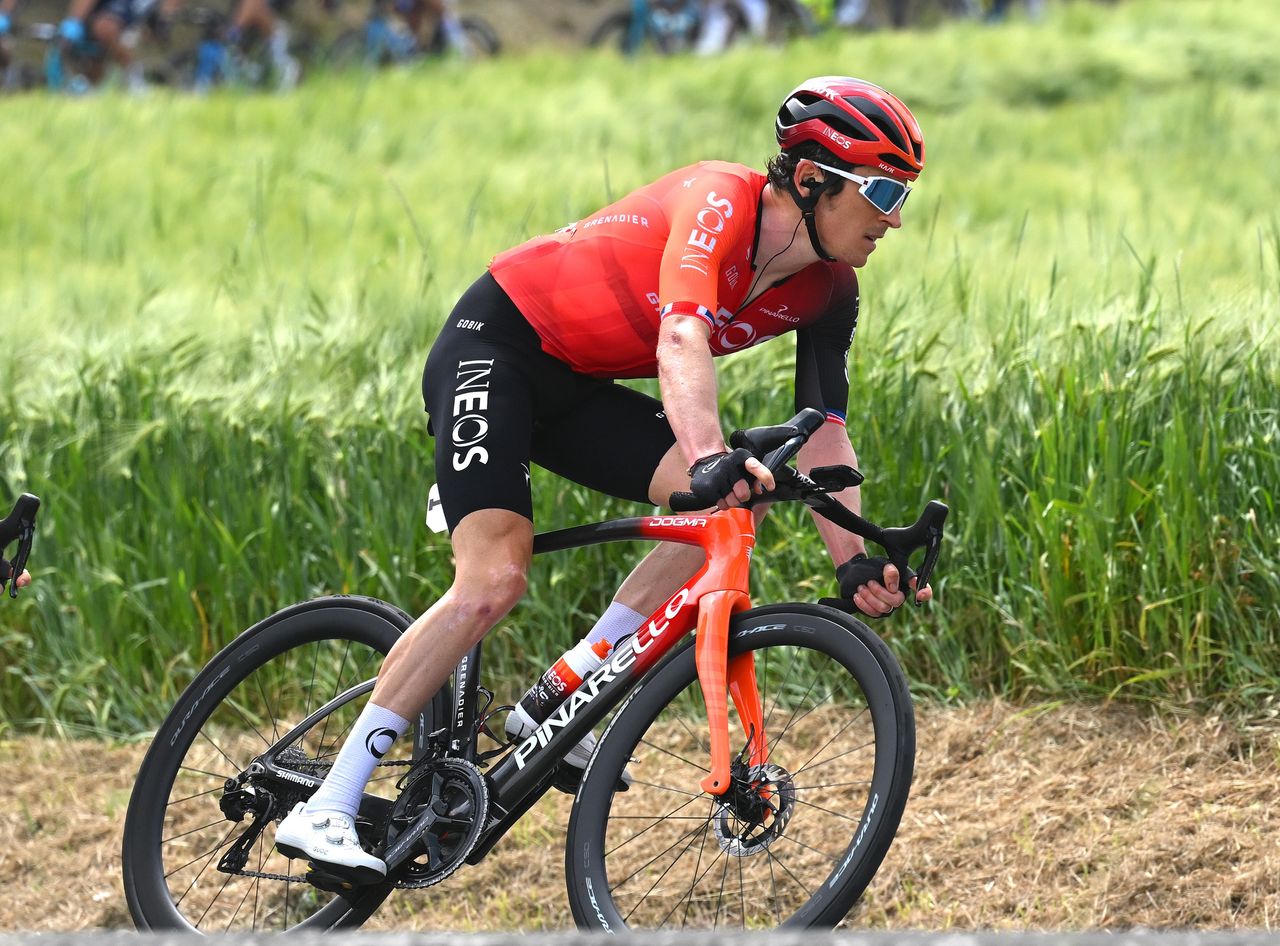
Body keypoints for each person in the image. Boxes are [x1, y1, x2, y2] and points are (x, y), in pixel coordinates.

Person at [273, 76, 933, 883]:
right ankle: (329, 804)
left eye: (904, 193)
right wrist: (704, 454)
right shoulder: (720, 200)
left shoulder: (831, 293)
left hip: (576, 387)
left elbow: (826, 427)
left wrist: (855, 558)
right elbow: (682, 337)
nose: (894, 216)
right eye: (882, 190)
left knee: (724, 512)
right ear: (810, 180)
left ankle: (566, 685)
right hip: (498, 349)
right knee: (494, 579)